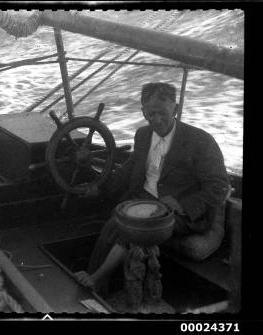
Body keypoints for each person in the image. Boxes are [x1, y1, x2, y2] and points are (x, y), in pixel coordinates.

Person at [75, 82, 230, 293]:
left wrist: (183, 204)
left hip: (184, 213)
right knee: (114, 223)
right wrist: (100, 188)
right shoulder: (143, 134)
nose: (156, 120)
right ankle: (97, 281)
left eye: (162, 113)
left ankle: (97, 277)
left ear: (175, 109)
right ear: (143, 112)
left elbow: (220, 187)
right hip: (145, 199)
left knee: (135, 228)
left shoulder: (201, 141)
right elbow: (129, 169)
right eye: (151, 114)